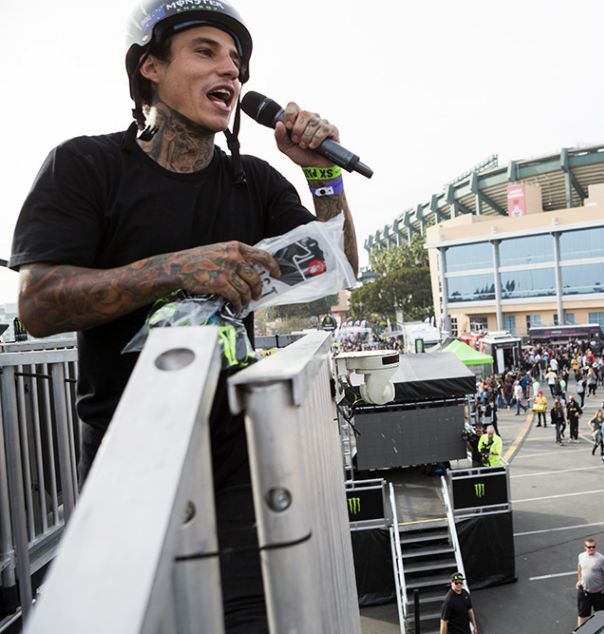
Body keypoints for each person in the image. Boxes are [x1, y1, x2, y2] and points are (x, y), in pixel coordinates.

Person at [10, 3, 358, 630]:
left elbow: (333, 271)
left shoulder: (251, 181)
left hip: (236, 474)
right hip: (127, 471)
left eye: (237, 60)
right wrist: (172, 269)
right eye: (206, 51)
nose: (231, 68)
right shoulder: (85, 167)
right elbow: (38, 304)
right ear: (150, 67)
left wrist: (324, 174)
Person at [576, 538, 604, 628]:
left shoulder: (601, 559)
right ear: (585, 547)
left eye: (593, 547)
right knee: (582, 613)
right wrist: (579, 580)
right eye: (589, 547)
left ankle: (601, 630)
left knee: (601, 614)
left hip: (598, 592)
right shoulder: (581, 556)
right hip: (584, 591)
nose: (591, 549)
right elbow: (579, 567)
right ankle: (580, 631)